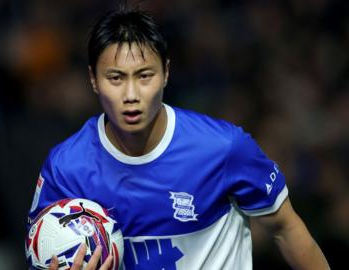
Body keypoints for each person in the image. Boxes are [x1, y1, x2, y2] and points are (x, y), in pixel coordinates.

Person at [26, 7, 330, 270]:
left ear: (166, 73)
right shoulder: (67, 167)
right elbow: (41, 254)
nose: (131, 95)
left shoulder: (223, 149)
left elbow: (286, 228)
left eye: (144, 76)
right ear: (93, 79)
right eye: (115, 78)